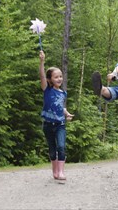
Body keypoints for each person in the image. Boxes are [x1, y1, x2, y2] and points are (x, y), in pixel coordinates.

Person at [39, 50, 73, 182]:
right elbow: (42, 76)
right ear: (50, 80)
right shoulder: (47, 90)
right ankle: (55, 171)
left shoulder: (63, 93)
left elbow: (61, 107)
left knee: (61, 147)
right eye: (56, 77)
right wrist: (42, 61)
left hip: (60, 124)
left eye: (60, 76)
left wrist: (67, 113)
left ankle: (61, 171)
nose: (59, 79)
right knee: (52, 150)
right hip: (48, 125)